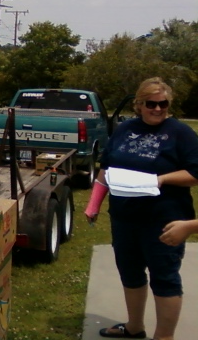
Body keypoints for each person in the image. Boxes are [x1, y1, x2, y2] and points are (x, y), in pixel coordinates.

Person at [84, 77, 198, 340]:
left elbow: (195, 172)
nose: (158, 109)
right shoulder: (124, 130)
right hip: (124, 218)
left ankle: (163, 336)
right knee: (130, 272)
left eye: (164, 104)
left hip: (164, 220)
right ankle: (134, 327)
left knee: (164, 278)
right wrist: (93, 205)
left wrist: (161, 179)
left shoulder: (180, 133)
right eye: (151, 103)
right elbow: (106, 170)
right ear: (139, 104)